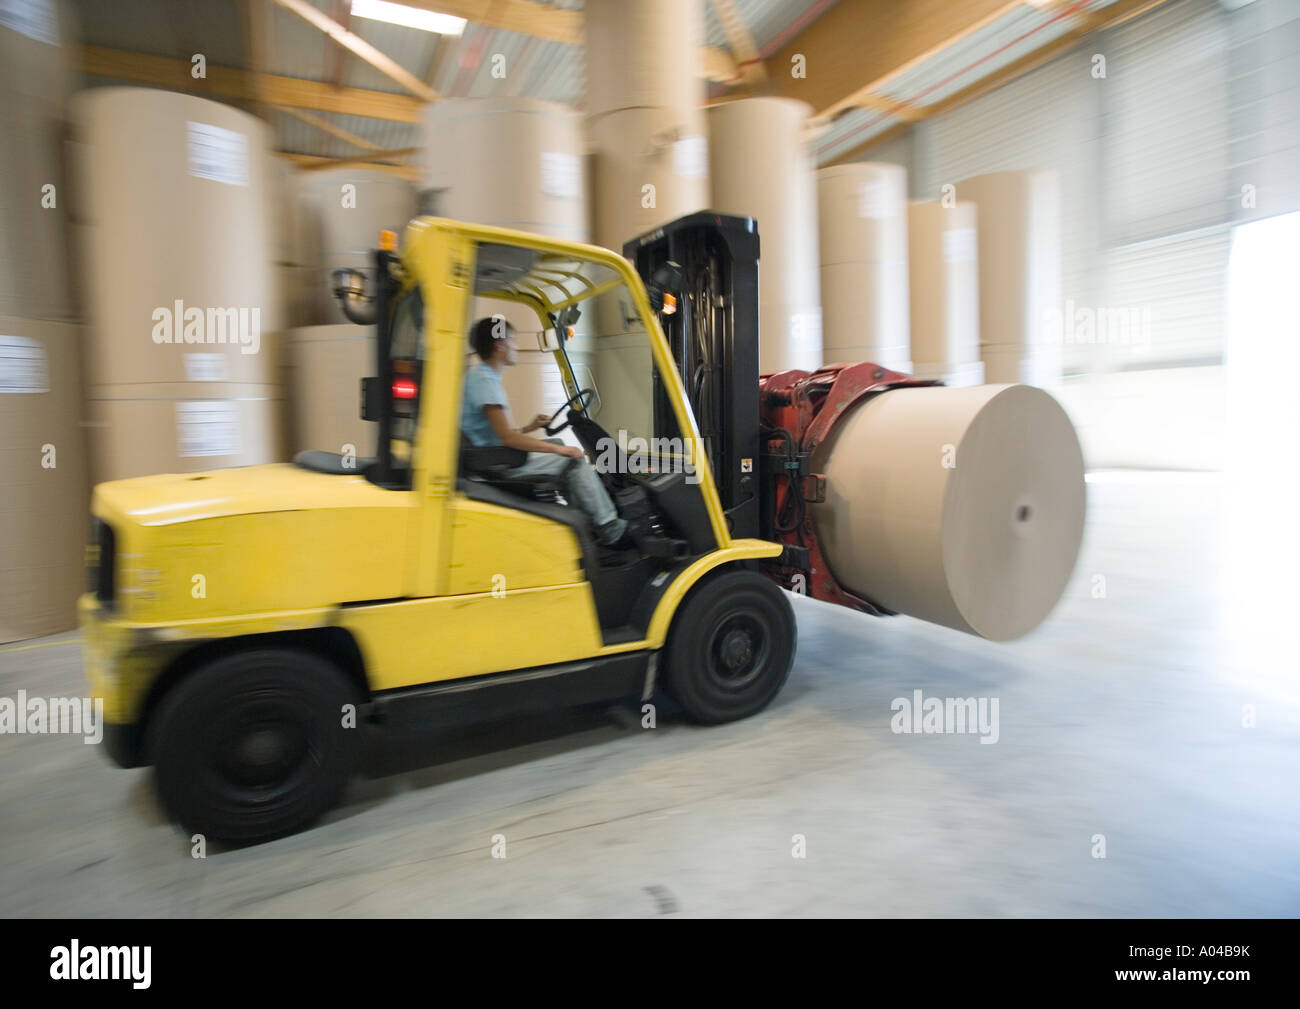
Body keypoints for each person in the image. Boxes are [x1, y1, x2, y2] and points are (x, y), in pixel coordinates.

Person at [461, 316, 629, 547]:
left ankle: (583, 522)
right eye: (512, 341)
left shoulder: (480, 377)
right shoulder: (485, 381)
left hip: (493, 457)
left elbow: (493, 432)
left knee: (561, 444)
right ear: (499, 346)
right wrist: (561, 451)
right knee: (574, 460)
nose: (516, 346)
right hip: (499, 466)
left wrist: (530, 428)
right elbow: (507, 437)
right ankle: (610, 527)